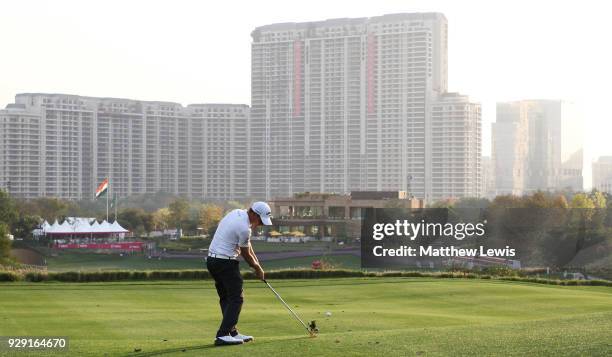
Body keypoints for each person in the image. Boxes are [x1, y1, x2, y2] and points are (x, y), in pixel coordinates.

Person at [206, 201, 272, 346]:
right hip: (225, 263)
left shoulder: (237, 213)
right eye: (260, 220)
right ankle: (223, 334)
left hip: (212, 261)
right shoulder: (244, 228)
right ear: (254, 214)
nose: (261, 224)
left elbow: (247, 245)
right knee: (236, 298)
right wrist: (257, 267)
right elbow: (245, 253)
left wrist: (258, 266)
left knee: (226, 298)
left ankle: (232, 332)